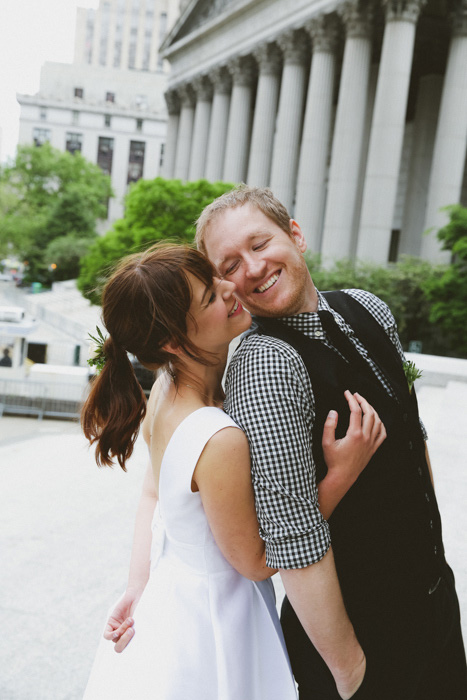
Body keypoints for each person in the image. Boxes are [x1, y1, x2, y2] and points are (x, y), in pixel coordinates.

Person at [195, 185, 467, 700]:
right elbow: (292, 537)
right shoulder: (265, 365)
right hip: (359, 644)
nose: (251, 269)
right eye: (229, 265)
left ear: (296, 235)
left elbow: (413, 438)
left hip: (433, 605)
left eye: (259, 244)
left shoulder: (368, 307)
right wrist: (350, 673)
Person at [81, 243, 384, 700]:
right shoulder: (217, 437)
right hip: (215, 624)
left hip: (169, 600)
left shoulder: (165, 389)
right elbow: (258, 561)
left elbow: (152, 495)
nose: (229, 288)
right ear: (172, 342)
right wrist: (342, 472)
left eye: (214, 278)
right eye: (209, 297)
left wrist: (138, 585)